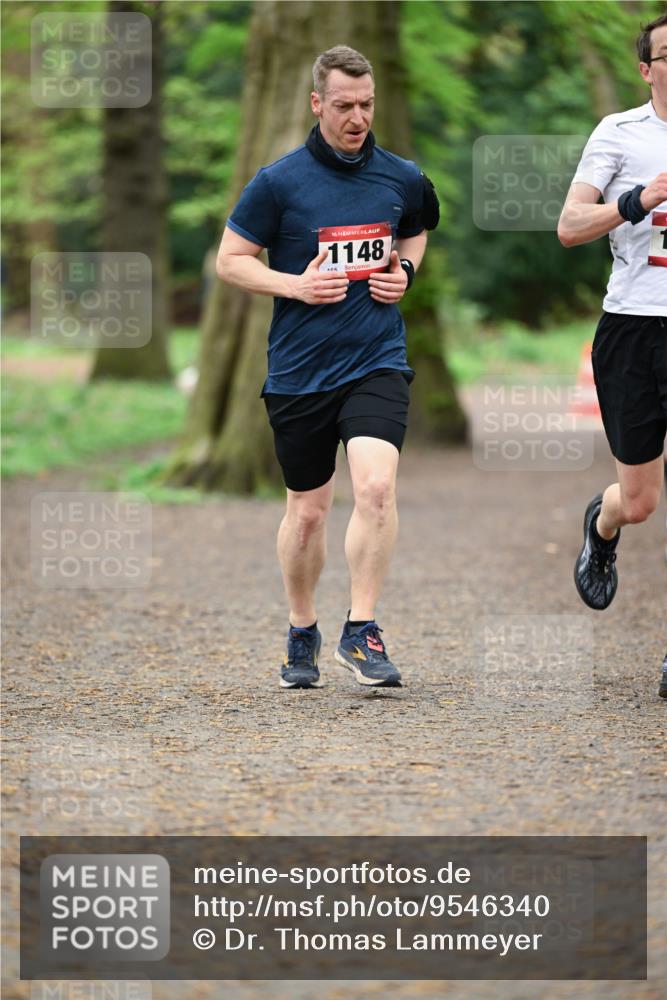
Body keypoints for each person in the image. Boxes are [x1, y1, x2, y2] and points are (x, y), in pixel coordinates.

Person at [216, 46, 438, 689]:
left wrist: (405, 270)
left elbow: (416, 229)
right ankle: (301, 626)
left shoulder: (401, 176)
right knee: (308, 512)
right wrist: (295, 285)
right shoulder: (278, 182)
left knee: (376, 488)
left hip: (376, 359)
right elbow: (230, 260)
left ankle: (361, 630)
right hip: (300, 372)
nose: (357, 118)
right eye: (344, 105)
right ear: (317, 104)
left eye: (367, 105)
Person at [557, 13, 667, 699]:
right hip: (632, 329)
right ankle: (602, 523)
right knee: (641, 501)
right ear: (646, 69)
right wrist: (638, 198)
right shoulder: (619, 133)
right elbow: (569, 226)